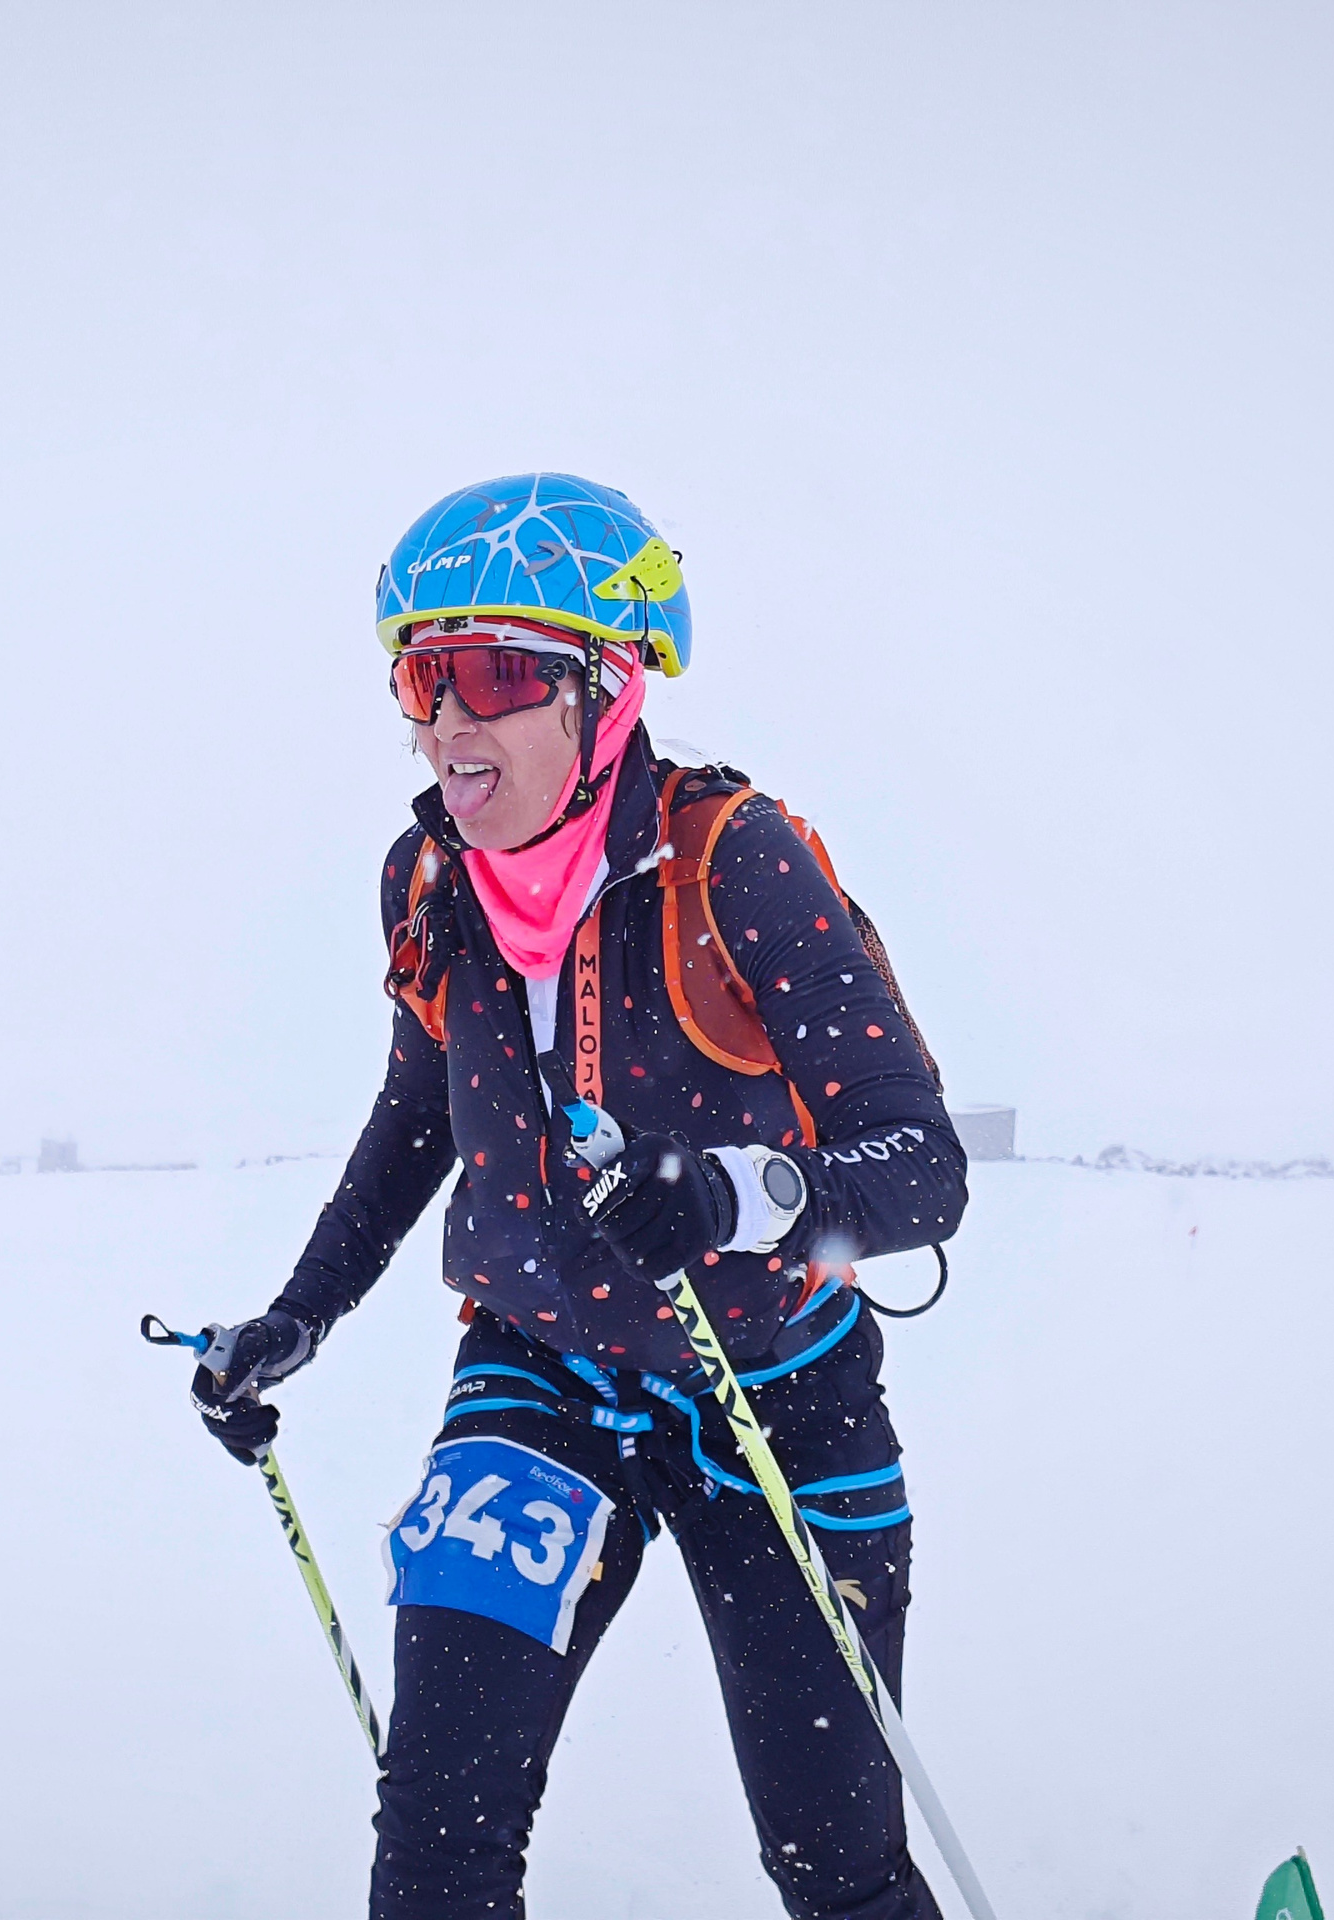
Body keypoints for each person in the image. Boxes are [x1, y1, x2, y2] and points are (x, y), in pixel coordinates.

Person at [192, 473, 968, 1920]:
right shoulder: (427, 878)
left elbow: (922, 1169)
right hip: (537, 1374)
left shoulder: (737, 859)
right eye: (423, 679)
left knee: (836, 1867)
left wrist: (733, 1196)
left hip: (780, 1397)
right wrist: (296, 1317)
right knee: (437, 1845)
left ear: (604, 693)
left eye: (493, 677)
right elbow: (415, 1115)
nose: (444, 724)